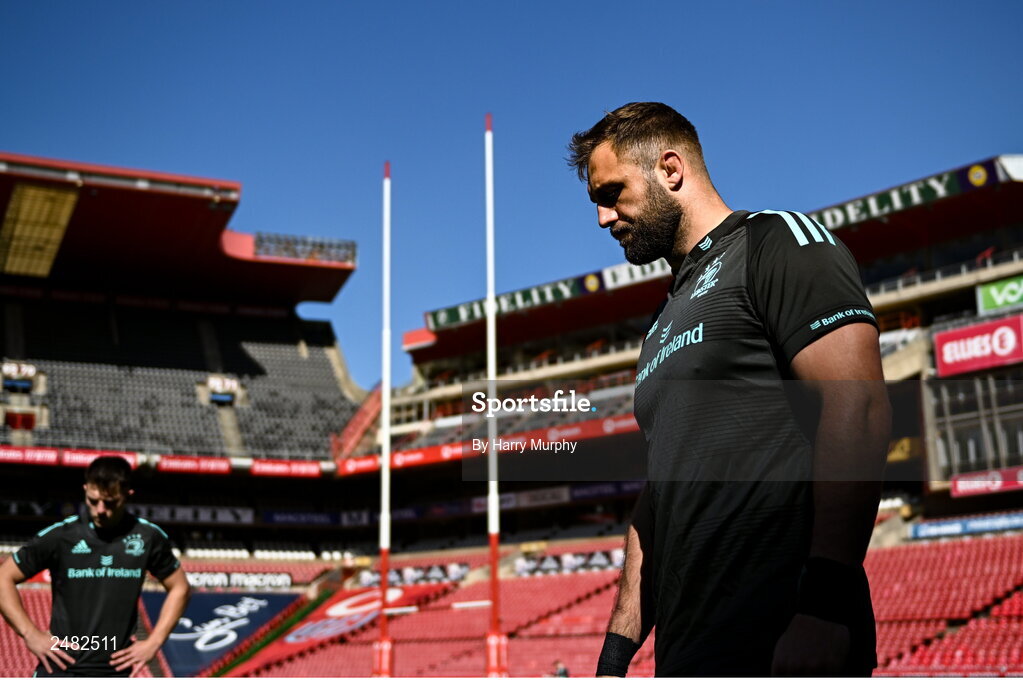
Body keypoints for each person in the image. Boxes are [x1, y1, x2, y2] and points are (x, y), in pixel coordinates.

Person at [568, 102, 890, 676]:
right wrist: (616, 654)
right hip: (690, 654)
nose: (602, 217)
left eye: (611, 192)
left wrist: (825, 607)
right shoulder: (663, 321)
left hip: (783, 641)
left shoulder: (777, 242)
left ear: (670, 169)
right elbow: (657, 500)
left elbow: (856, 406)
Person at [0, 456, 190, 677]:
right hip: (60, 666)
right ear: (85, 489)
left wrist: (154, 642)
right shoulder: (61, 535)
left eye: (110, 503)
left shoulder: (147, 537)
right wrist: (29, 633)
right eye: (93, 500)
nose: (101, 510)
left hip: (114, 670)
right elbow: (4, 577)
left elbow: (180, 588)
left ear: (128, 494)